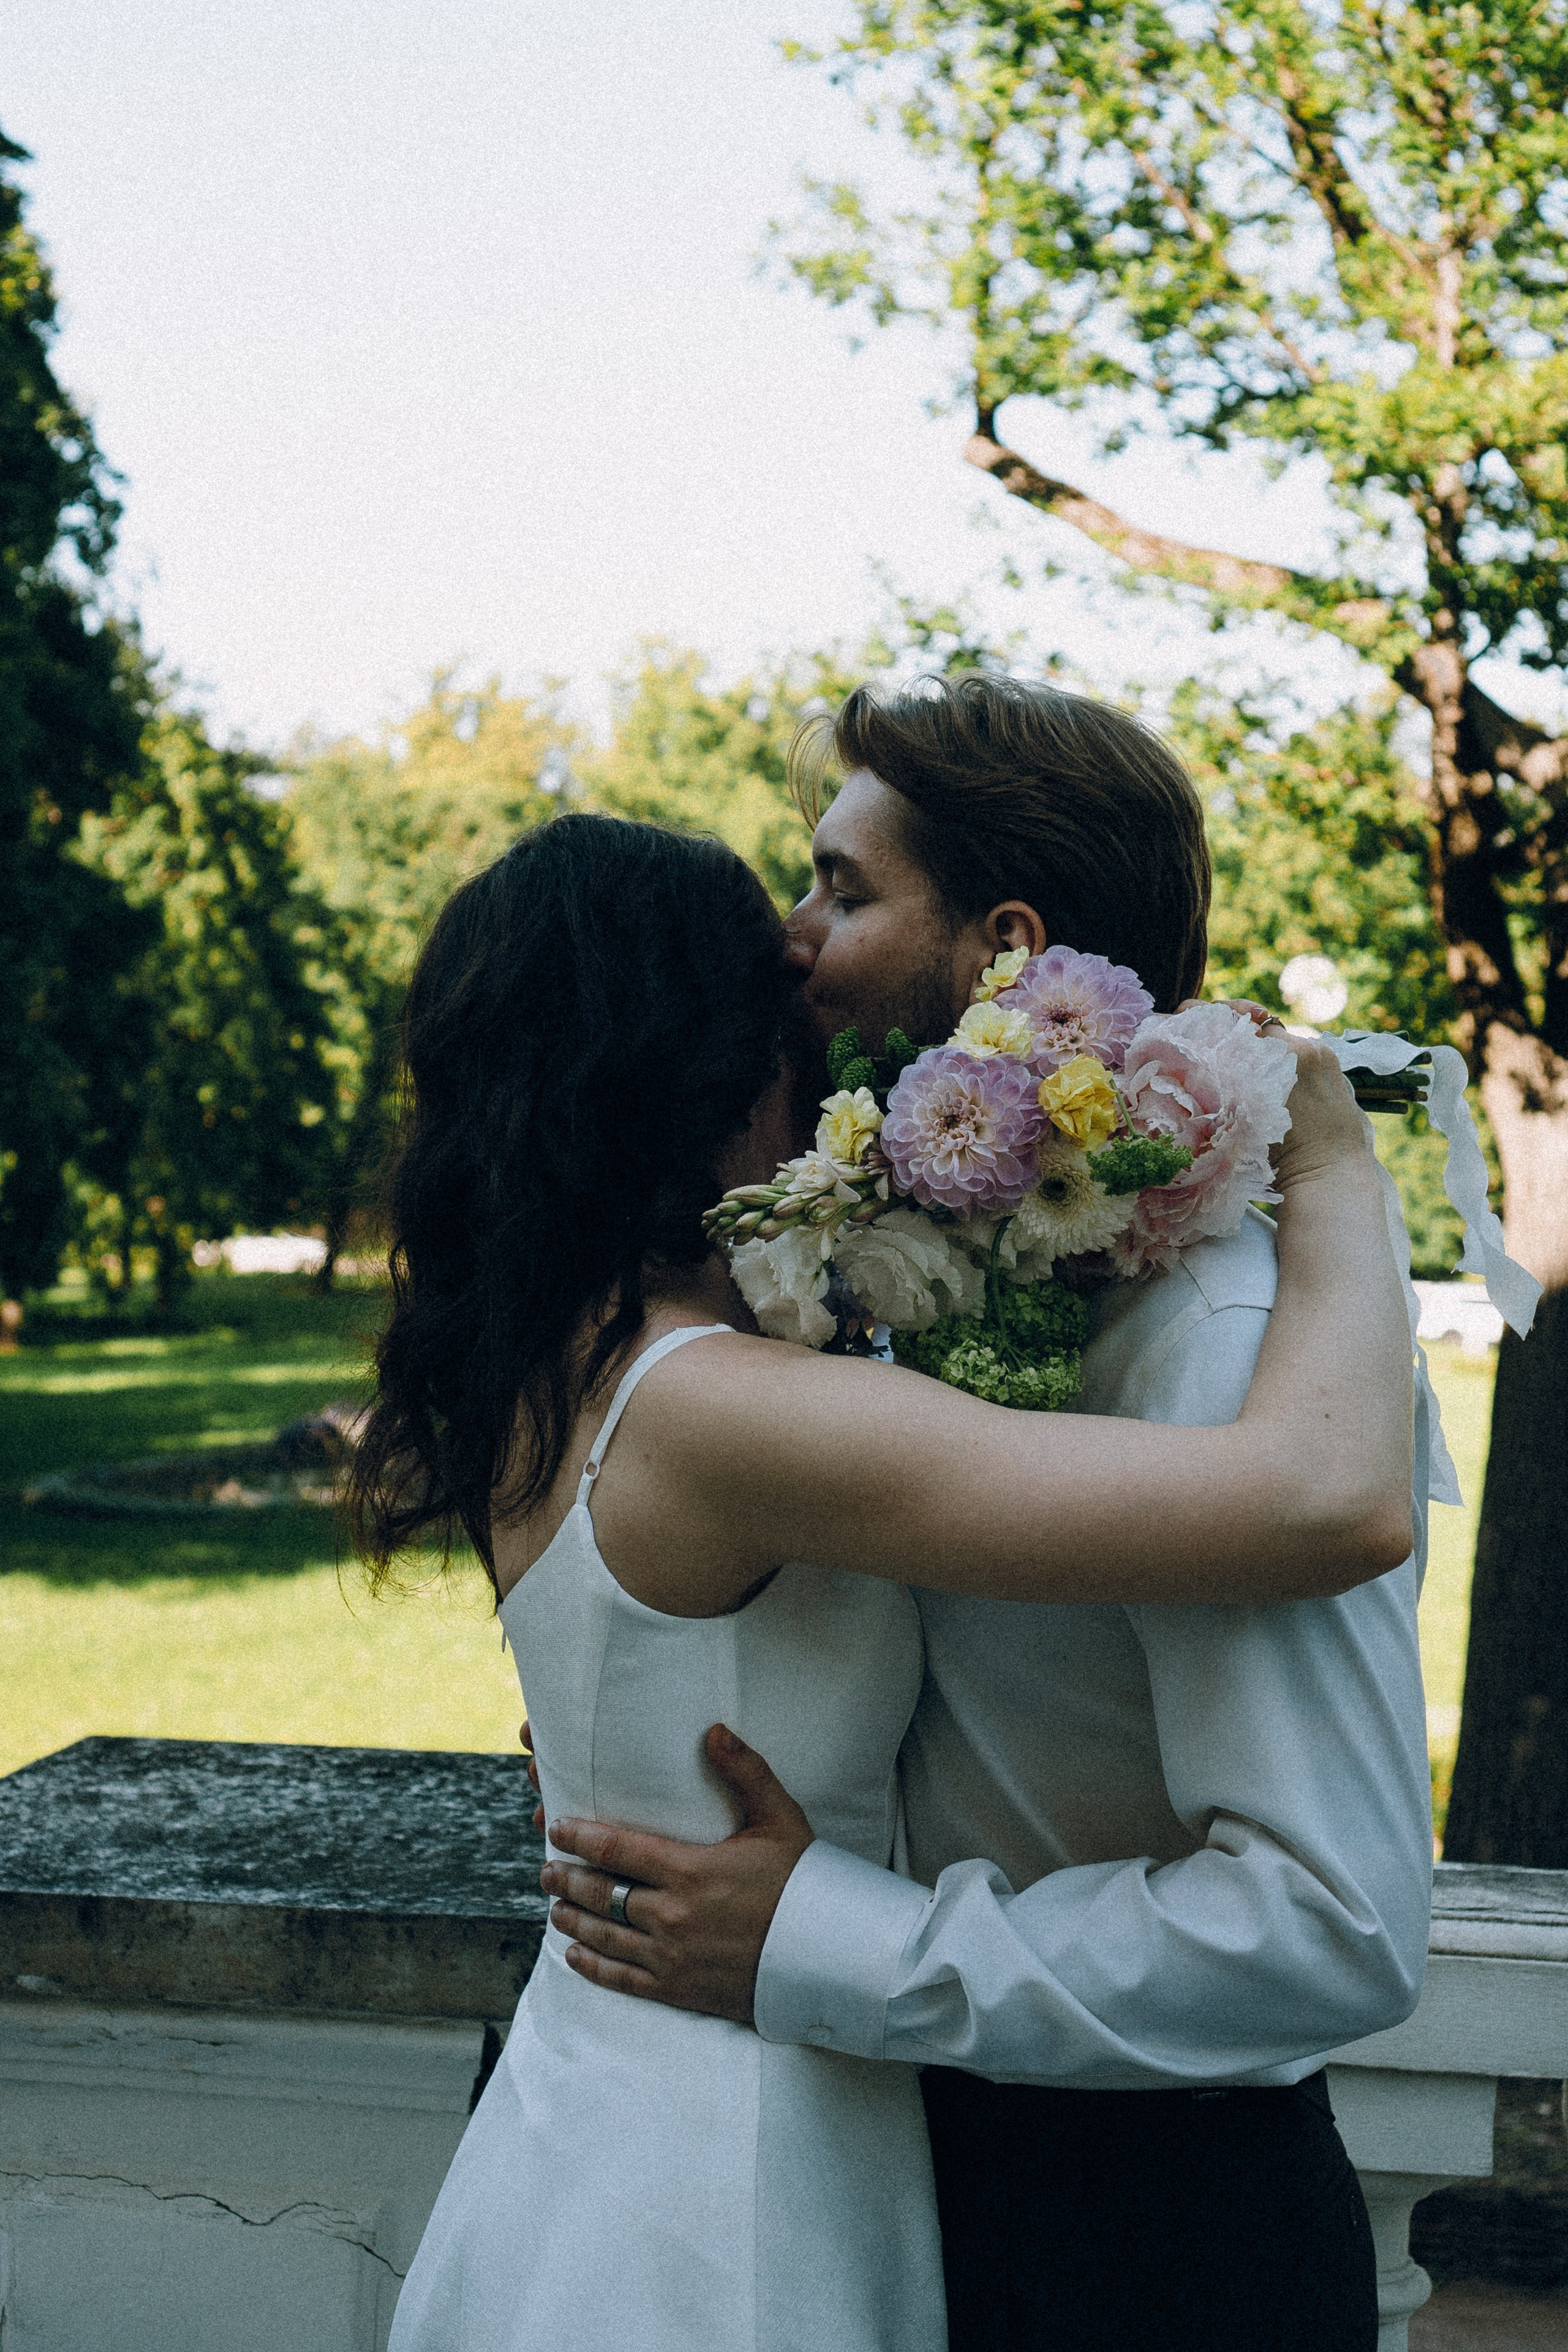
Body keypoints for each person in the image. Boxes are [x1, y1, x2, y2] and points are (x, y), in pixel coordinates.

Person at [359, 804, 1414, 2352]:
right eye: (782, 997)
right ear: (711, 1058)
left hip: (616, 2083)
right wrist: (1329, 1164)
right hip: (734, 2145)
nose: (821, 1002)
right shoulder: (723, 1407)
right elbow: (1323, 1498)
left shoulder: (561, 1350)